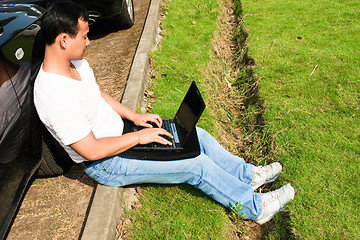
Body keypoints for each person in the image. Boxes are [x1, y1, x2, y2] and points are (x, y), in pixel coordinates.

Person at [33, 1, 295, 224]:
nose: (89, 42)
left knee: (194, 135)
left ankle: (247, 176)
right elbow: (91, 150)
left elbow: (95, 93)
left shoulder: (75, 62)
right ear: (64, 40)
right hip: (107, 163)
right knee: (195, 166)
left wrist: (133, 117)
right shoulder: (53, 94)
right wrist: (139, 138)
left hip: (123, 134)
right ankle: (255, 208)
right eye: (85, 36)